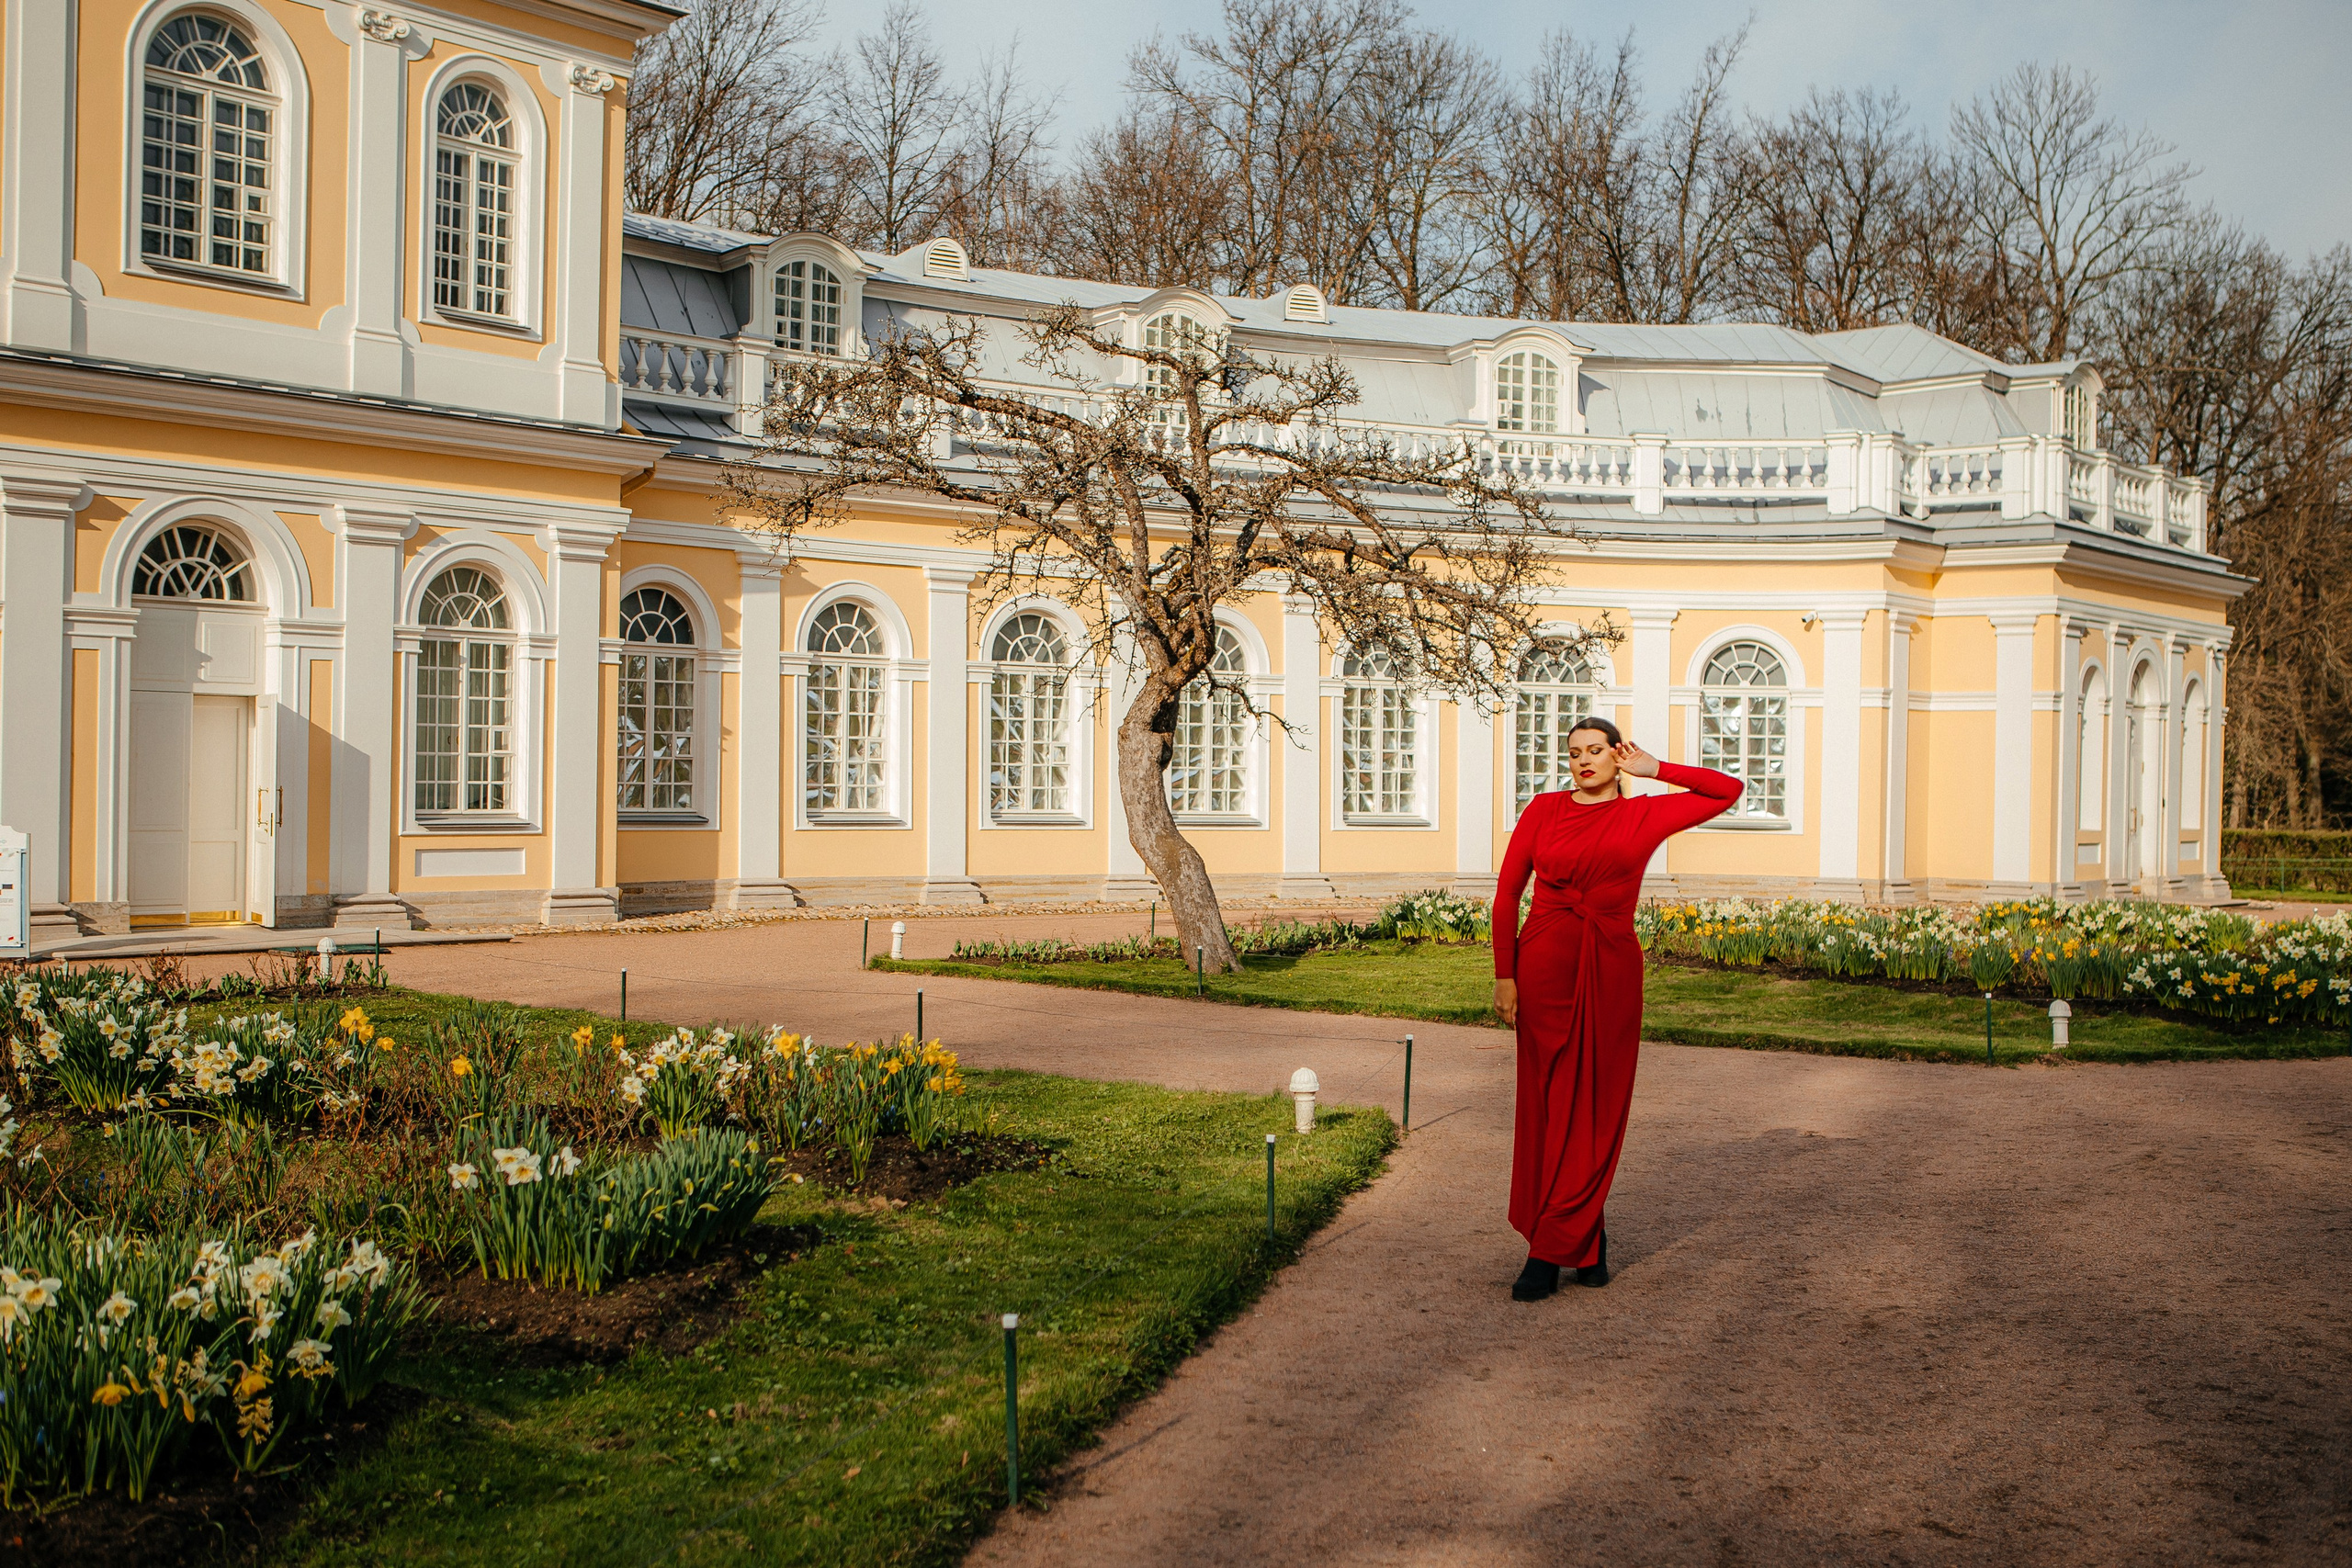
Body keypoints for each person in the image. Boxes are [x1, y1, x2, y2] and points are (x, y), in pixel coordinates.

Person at [1491, 717, 1741, 1300]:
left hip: (1610, 967)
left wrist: (1657, 769)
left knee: (1596, 1106)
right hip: (1543, 963)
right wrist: (1505, 975)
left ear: (1617, 756)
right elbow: (1507, 894)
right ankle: (1585, 1240)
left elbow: (1727, 790)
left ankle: (1550, 1250)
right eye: (1574, 752)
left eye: (1596, 750)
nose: (1583, 761)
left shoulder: (1645, 814)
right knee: (1550, 1104)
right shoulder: (1543, 810)